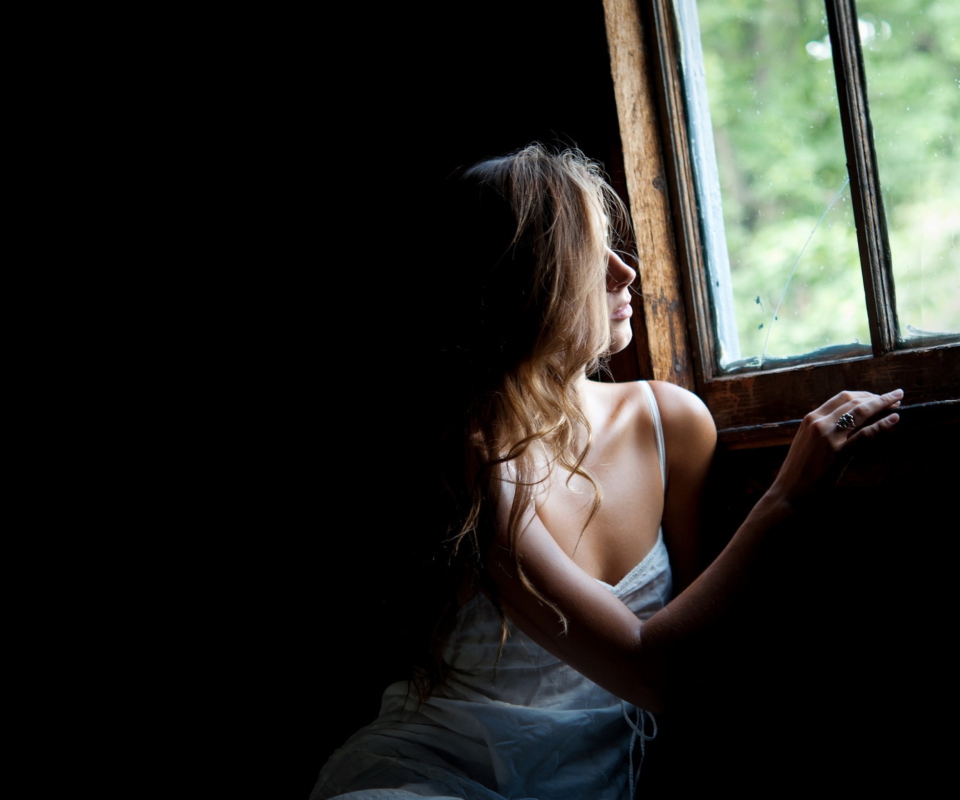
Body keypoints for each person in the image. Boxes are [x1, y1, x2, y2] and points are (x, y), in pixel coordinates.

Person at [311, 144, 902, 800]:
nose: (627, 272)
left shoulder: (667, 421)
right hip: (440, 778)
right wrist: (787, 496)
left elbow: (702, 664)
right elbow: (652, 674)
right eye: (592, 260)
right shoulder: (479, 465)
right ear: (524, 285)